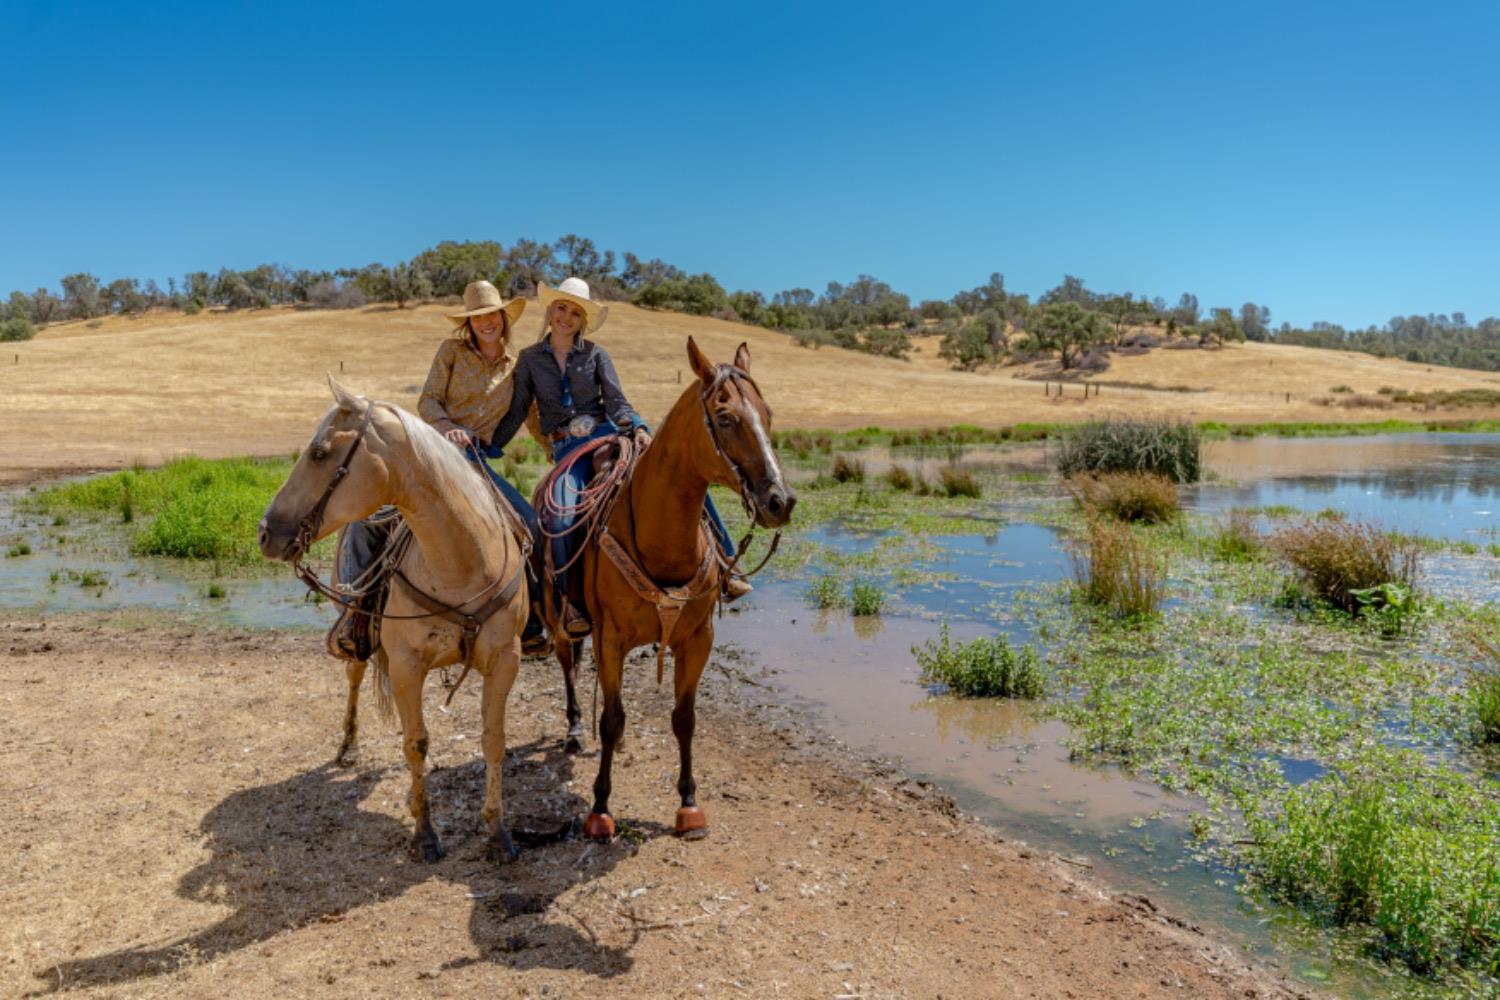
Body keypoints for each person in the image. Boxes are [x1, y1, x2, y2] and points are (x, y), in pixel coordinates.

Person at [487, 276, 747, 639]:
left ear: (583, 320)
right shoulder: (530, 360)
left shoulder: (596, 355)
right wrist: (491, 445)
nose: (566, 317)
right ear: (550, 311)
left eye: (574, 312)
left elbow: (616, 401)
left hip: (608, 436)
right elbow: (517, 410)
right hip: (567, 450)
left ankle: (727, 566)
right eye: (561, 308)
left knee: (683, 482)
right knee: (558, 518)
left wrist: (638, 427)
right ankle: (569, 602)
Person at [418, 279, 549, 653]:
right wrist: (448, 429)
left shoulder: (516, 366)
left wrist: (554, 451)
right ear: (469, 324)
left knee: (530, 526)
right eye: (477, 318)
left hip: (476, 462)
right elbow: (427, 402)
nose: (486, 323)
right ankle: (363, 613)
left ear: (503, 318)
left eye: (491, 315)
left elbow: (531, 416)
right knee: (378, 518)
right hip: (440, 454)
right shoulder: (451, 351)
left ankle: (533, 621)